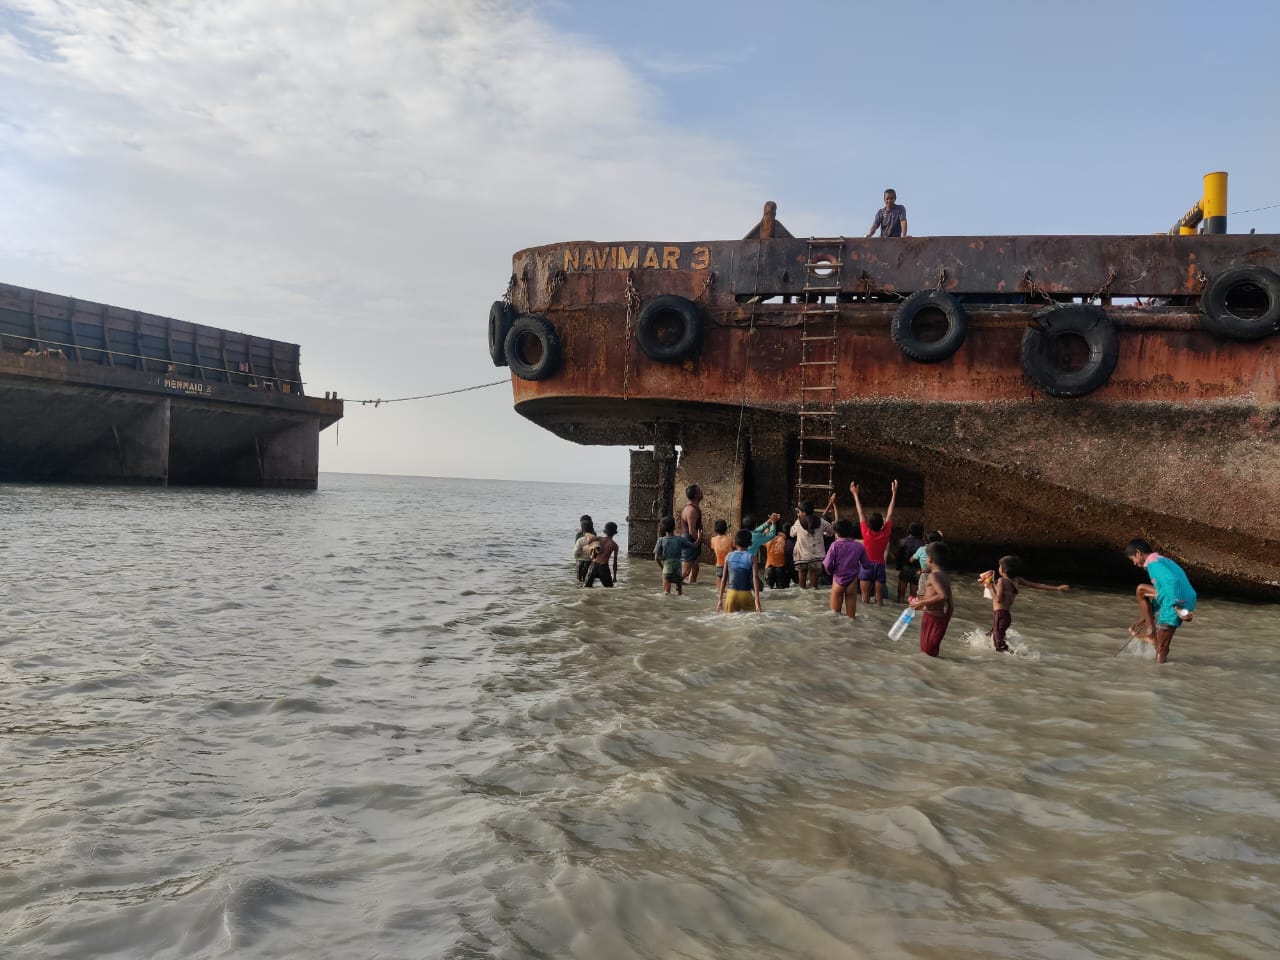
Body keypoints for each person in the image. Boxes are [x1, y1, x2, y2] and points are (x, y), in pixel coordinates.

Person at [1125, 539, 1197, 663]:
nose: (1134, 564)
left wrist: (1177, 606)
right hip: (1183, 595)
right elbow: (1164, 592)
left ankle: (1159, 672)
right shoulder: (1162, 560)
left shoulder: (1154, 565)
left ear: (1138, 553)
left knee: (1161, 648)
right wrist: (1143, 620)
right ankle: (1151, 632)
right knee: (1141, 590)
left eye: (1133, 560)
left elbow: (1172, 581)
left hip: (1177, 600)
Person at [978, 555, 1070, 653]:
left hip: (1000, 615)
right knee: (990, 637)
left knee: (999, 646)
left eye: (1000, 566)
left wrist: (990, 586)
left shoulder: (1001, 581)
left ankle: (1015, 658)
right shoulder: (1017, 580)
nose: (998, 568)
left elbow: (998, 599)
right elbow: (1036, 585)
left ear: (1004, 570)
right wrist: (1056, 588)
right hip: (1006, 616)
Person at [851, 479, 898, 605]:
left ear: (869, 524)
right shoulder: (886, 533)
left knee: (865, 598)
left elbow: (860, 512)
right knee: (879, 599)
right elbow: (890, 513)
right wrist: (894, 493)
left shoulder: (866, 533)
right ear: (882, 525)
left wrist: (855, 495)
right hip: (880, 566)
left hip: (866, 565)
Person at [909, 541, 953, 657]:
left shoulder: (932, 576)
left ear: (930, 559)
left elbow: (942, 595)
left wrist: (922, 602)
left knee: (926, 652)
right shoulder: (946, 577)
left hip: (930, 618)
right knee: (932, 653)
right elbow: (950, 606)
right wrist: (944, 622)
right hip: (940, 618)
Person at [823, 518, 869, 619]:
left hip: (838, 581)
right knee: (851, 618)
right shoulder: (859, 546)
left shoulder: (834, 545)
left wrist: (831, 572)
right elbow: (867, 565)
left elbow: (827, 564)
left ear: (837, 533)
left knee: (834, 616)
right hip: (852, 582)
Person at [790, 494, 837, 590]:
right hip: (817, 557)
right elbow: (831, 531)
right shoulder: (821, 522)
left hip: (801, 557)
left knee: (801, 587)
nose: (798, 513)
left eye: (799, 512)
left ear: (803, 512)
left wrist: (797, 519)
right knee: (814, 587)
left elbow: (791, 534)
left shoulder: (798, 523)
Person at [717, 529, 762, 613]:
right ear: (750, 543)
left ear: (734, 543)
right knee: (752, 620)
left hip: (731, 594)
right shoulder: (752, 557)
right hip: (746, 594)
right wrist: (757, 600)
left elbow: (724, 578)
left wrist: (720, 600)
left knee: (730, 622)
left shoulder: (728, 556)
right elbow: (755, 578)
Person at [653, 516, 686, 595]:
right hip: (678, 568)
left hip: (667, 568)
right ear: (674, 527)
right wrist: (699, 539)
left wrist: (662, 567)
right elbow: (693, 546)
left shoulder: (661, 540)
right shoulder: (680, 539)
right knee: (679, 593)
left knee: (666, 593)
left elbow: (656, 558)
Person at [679, 485, 705, 583]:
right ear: (696, 495)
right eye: (699, 491)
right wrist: (707, 541)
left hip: (694, 541)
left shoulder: (694, 507)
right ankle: (670, 591)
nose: (702, 492)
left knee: (695, 570)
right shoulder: (691, 510)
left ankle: (691, 593)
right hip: (689, 542)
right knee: (685, 572)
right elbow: (692, 532)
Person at [895, 520, 926, 603]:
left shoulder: (903, 541)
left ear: (909, 531)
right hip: (917, 569)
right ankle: (911, 607)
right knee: (913, 595)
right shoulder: (924, 544)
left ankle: (900, 601)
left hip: (905, 567)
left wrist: (898, 566)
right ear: (922, 532)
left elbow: (899, 555)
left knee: (901, 590)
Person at [584, 521, 619, 587]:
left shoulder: (599, 538)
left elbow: (588, 541)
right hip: (603, 568)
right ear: (615, 532)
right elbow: (615, 562)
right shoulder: (614, 545)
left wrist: (595, 545)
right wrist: (614, 577)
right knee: (609, 588)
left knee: (586, 587)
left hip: (593, 566)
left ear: (605, 531)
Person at [573, 516, 598, 585]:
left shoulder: (579, 537)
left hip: (580, 561)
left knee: (579, 579)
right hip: (590, 561)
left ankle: (580, 590)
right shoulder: (594, 537)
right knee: (588, 579)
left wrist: (577, 557)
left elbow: (576, 550)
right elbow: (596, 551)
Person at [709, 519, 733, 584]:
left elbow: (713, 548)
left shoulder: (713, 539)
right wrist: (729, 537)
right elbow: (734, 547)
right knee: (729, 578)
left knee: (719, 577)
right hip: (729, 563)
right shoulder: (730, 539)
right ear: (725, 529)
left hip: (719, 563)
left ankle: (720, 590)